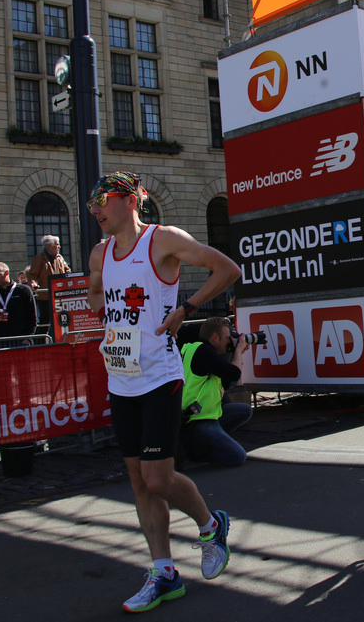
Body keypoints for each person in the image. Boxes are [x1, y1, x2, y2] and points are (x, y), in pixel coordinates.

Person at [85, 171, 241, 613]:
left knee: (157, 477)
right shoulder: (99, 253)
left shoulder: (162, 240)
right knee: (138, 480)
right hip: (122, 379)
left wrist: (185, 309)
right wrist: (110, 315)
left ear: (130, 200)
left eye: (102, 199)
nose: (95, 209)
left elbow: (228, 269)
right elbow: (95, 294)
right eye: (91, 202)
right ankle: (164, 572)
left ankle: (211, 526)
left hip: (160, 378)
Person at [179, 317, 253, 467]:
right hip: (198, 419)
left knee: (244, 410)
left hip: (208, 413)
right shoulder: (203, 351)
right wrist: (238, 350)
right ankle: (193, 452)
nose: (229, 342)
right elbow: (234, 374)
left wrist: (235, 353)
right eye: (227, 338)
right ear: (215, 337)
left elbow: (227, 382)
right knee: (238, 456)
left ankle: (209, 442)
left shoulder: (194, 349)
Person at [28, 235, 71, 333]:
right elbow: (32, 274)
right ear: (49, 245)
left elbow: (68, 271)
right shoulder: (39, 258)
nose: (59, 247)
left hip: (59, 295)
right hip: (45, 297)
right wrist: (33, 283)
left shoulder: (60, 258)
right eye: (57, 244)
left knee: (60, 319)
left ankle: (59, 339)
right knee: (45, 320)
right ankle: (40, 340)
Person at [0, 262, 38, 346]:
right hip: (1, 340)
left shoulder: (23, 290)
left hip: (20, 339)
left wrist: (28, 338)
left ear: (7, 273)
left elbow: (32, 316)